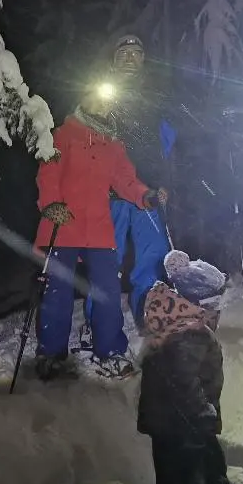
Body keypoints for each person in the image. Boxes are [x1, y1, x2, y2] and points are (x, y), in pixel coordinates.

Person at [34, 80, 165, 380]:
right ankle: (51, 354)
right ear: (84, 98)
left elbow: (125, 180)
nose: (104, 105)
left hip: (98, 229)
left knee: (107, 290)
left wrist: (145, 196)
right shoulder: (63, 135)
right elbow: (48, 172)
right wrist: (50, 204)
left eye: (108, 101)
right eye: (98, 98)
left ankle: (111, 351)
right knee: (58, 291)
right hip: (63, 223)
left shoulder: (113, 145)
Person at [83, 34, 177, 344]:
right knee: (106, 262)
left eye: (136, 53)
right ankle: (100, 330)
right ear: (113, 59)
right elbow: (83, 142)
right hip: (109, 193)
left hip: (146, 193)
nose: (130, 58)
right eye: (124, 53)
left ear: (143, 59)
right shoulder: (99, 95)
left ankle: (151, 321)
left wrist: (163, 181)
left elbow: (167, 143)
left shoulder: (155, 95)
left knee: (152, 261)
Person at [138, 252, 233, 484]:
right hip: (187, 424)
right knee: (204, 477)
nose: (219, 311)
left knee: (175, 478)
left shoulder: (175, 321)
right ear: (200, 304)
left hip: (169, 424)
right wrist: (204, 415)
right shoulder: (190, 334)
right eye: (215, 305)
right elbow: (184, 381)